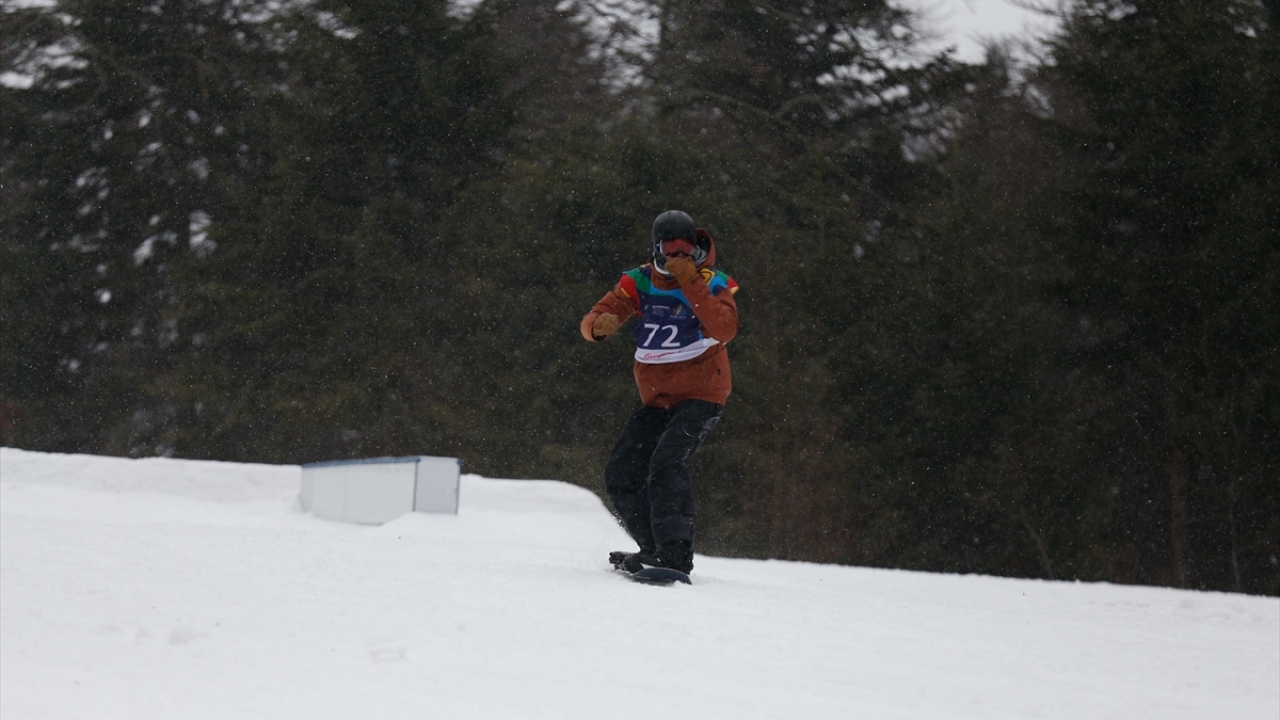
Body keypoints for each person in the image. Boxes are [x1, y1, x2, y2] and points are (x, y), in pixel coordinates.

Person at [580, 210, 740, 576]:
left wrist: (690, 282)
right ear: (657, 247)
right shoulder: (639, 280)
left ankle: (675, 555)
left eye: (685, 248)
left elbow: (725, 327)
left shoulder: (712, 281)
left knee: (666, 464)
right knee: (621, 473)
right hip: (658, 399)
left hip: (702, 395)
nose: (678, 255)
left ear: (697, 246)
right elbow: (598, 314)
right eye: (671, 248)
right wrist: (597, 328)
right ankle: (651, 548)